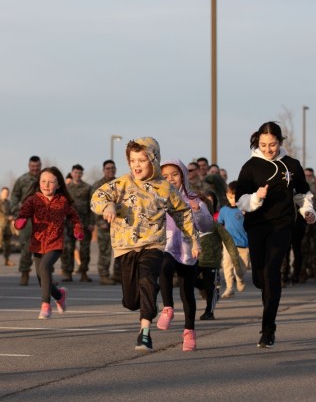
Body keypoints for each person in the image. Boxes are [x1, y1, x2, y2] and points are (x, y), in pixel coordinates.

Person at [91, 137, 200, 352]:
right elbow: (98, 196)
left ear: (154, 160)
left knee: (148, 279)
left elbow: (183, 214)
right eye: (133, 160)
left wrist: (193, 240)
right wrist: (108, 206)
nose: (137, 165)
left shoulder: (165, 188)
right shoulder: (122, 183)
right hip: (125, 247)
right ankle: (148, 303)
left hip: (153, 245)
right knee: (131, 301)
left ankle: (144, 334)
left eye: (142, 160)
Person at [235, 122, 316, 349]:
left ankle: (268, 329)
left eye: (272, 144)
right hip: (257, 225)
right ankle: (267, 300)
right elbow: (239, 200)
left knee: (272, 273)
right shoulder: (250, 167)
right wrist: (256, 197)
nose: (269, 149)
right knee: (260, 278)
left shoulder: (292, 165)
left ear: (280, 142)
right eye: (264, 145)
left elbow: (302, 193)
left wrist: (308, 211)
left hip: (282, 225)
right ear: (257, 143)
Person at [156, 159, 212, 351]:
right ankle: (168, 308)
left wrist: (197, 211)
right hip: (168, 245)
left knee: (187, 292)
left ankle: (189, 332)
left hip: (189, 250)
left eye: (174, 174)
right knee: (164, 267)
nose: (170, 179)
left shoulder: (194, 198)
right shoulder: (157, 198)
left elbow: (206, 226)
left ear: (183, 176)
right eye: (165, 176)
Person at [14, 167, 82, 319]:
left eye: (51, 182)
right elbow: (23, 213)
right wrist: (20, 221)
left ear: (58, 185)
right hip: (37, 243)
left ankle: (45, 305)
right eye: (43, 181)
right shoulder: (33, 200)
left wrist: (78, 228)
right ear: (38, 183)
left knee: (45, 268)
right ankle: (60, 295)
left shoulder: (63, 201)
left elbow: (74, 216)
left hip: (55, 242)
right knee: (41, 277)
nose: (46, 185)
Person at [195, 190, 241, 321]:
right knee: (189, 280)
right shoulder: (189, 225)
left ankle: (209, 311)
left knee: (212, 288)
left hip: (211, 262)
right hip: (194, 261)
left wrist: (235, 262)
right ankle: (204, 287)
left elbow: (228, 240)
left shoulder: (214, 225)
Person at [10, 155, 42, 286]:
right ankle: (24, 273)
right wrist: (16, 212)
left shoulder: (45, 179)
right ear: (29, 166)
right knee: (26, 247)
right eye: (33, 166)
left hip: (43, 219)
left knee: (45, 248)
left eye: (37, 166)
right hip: (27, 219)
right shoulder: (22, 180)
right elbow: (14, 196)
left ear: (40, 165)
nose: (35, 168)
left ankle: (45, 277)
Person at [61, 164, 94, 282]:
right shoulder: (65, 188)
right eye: (75, 172)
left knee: (85, 249)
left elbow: (93, 206)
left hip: (84, 223)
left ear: (82, 174)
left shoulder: (88, 188)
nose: (77, 175)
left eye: (80, 173)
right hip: (69, 224)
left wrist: (92, 222)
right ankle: (67, 272)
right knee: (67, 249)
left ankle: (84, 272)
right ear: (72, 173)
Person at [91, 160, 120, 285]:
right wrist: (98, 222)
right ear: (104, 170)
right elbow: (93, 205)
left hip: (119, 224)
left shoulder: (120, 183)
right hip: (104, 224)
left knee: (120, 250)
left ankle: (118, 275)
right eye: (108, 169)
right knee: (105, 251)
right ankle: (104, 275)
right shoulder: (98, 185)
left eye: (112, 168)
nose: (110, 170)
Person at [217, 180, 249, 297]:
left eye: (236, 197)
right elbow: (219, 224)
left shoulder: (246, 209)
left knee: (241, 268)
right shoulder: (224, 210)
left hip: (244, 244)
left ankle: (240, 278)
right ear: (227, 195)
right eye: (231, 197)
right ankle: (229, 287)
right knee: (227, 265)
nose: (233, 200)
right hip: (228, 243)